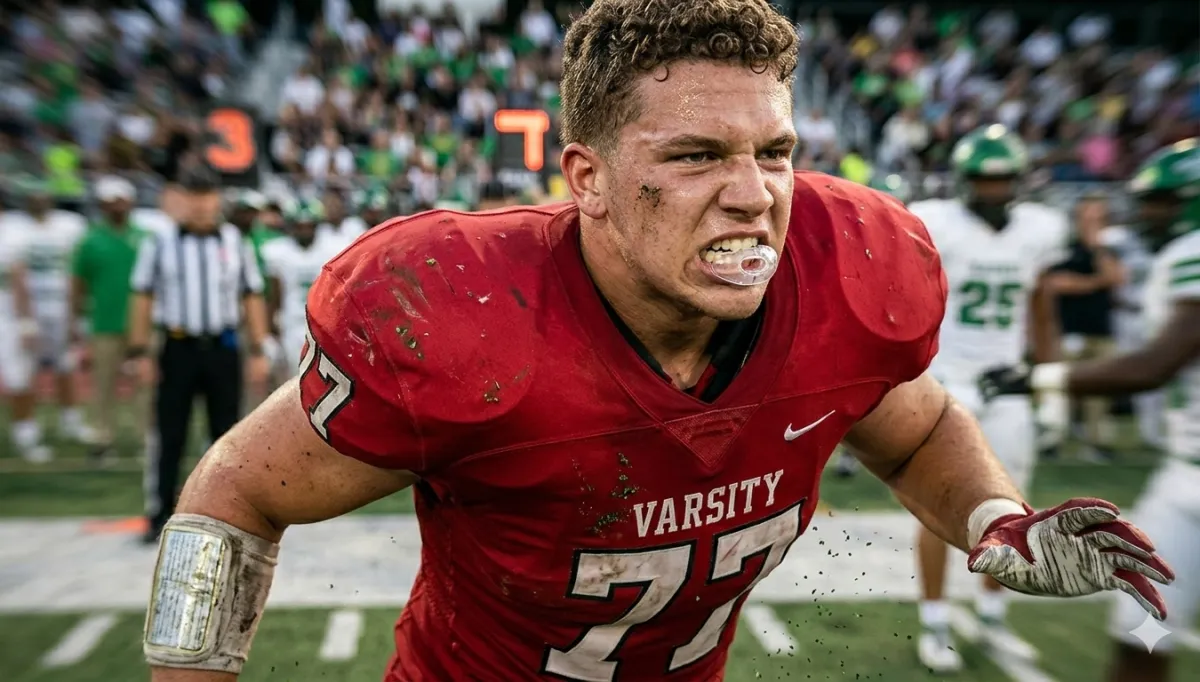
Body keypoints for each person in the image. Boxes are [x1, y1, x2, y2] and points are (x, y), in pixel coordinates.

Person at [144, 3, 1173, 681]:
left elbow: (910, 427)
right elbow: (236, 489)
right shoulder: (462, 315)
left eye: (776, 152)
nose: (753, 194)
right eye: (693, 155)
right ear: (584, 176)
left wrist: (997, 520)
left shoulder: (848, 271)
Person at [981, 138, 1200, 682]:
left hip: (1192, 480)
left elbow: (1156, 365)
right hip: (1185, 471)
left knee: (1143, 627)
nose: (1147, 212)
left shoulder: (1191, 251)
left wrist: (1041, 379)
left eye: (1162, 201)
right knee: (1141, 626)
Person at [906, 124, 1071, 672]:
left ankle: (991, 612)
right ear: (964, 181)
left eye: (1003, 181)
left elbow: (1042, 312)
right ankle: (934, 617)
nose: (994, 191)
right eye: (984, 180)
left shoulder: (1037, 231)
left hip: (1008, 382)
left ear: (1018, 182)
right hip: (948, 379)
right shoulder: (939, 224)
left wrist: (1051, 386)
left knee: (1013, 507)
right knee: (938, 505)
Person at [127, 166, 271, 544]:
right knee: (170, 431)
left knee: (225, 433)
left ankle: (225, 515)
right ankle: (160, 513)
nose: (201, 205)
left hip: (223, 346)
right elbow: (142, 295)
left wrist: (258, 348)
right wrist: (140, 350)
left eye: (207, 197)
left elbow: (251, 294)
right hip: (178, 347)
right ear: (181, 201)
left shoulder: (234, 241)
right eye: (194, 197)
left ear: (217, 200)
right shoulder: (159, 243)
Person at [4, 180, 93, 450]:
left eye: (43, 194)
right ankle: (25, 433)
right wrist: (25, 320)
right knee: (21, 369)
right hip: (16, 309)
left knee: (65, 363)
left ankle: (70, 420)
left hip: (60, 305)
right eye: (33, 194)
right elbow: (16, 276)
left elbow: (80, 271)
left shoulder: (70, 225)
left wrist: (78, 311)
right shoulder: (11, 228)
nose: (39, 200)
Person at [70, 176, 153, 461]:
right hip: (104, 322)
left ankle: (147, 438)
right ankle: (101, 438)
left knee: (145, 385)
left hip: (142, 323)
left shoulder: (145, 237)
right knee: (102, 384)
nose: (118, 205)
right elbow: (78, 284)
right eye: (112, 201)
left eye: (122, 199)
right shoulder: (91, 240)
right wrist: (77, 320)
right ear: (103, 204)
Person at [1044, 194, 1127, 460]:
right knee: (1057, 389)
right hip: (1067, 328)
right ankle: (1051, 440)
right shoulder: (1061, 246)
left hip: (1100, 330)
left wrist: (1096, 249)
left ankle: (1096, 443)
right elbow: (1056, 283)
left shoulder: (1108, 249)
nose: (1092, 221)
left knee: (1100, 392)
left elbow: (1116, 278)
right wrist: (1096, 281)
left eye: (1097, 216)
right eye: (1087, 215)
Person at [261, 199, 343, 376]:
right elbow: (274, 292)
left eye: (308, 225)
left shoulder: (332, 247)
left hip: (323, 322)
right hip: (292, 321)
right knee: (295, 377)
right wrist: (270, 325)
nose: (304, 230)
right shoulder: (278, 251)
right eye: (299, 226)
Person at [0, 195, 45, 461]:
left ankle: (25, 435)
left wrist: (27, 321)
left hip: (8, 316)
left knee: (20, 378)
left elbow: (19, 279)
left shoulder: (13, 231)